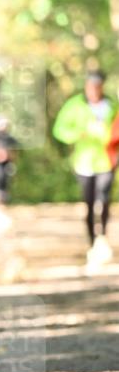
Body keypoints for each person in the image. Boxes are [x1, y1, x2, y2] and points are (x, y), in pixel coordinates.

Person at [52, 71, 117, 264]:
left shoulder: (112, 106)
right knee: (89, 203)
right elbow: (59, 130)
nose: (94, 90)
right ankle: (92, 242)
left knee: (103, 198)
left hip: (107, 160)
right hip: (84, 162)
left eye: (97, 87)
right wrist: (78, 134)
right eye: (91, 87)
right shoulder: (75, 105)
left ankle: (102, 237)